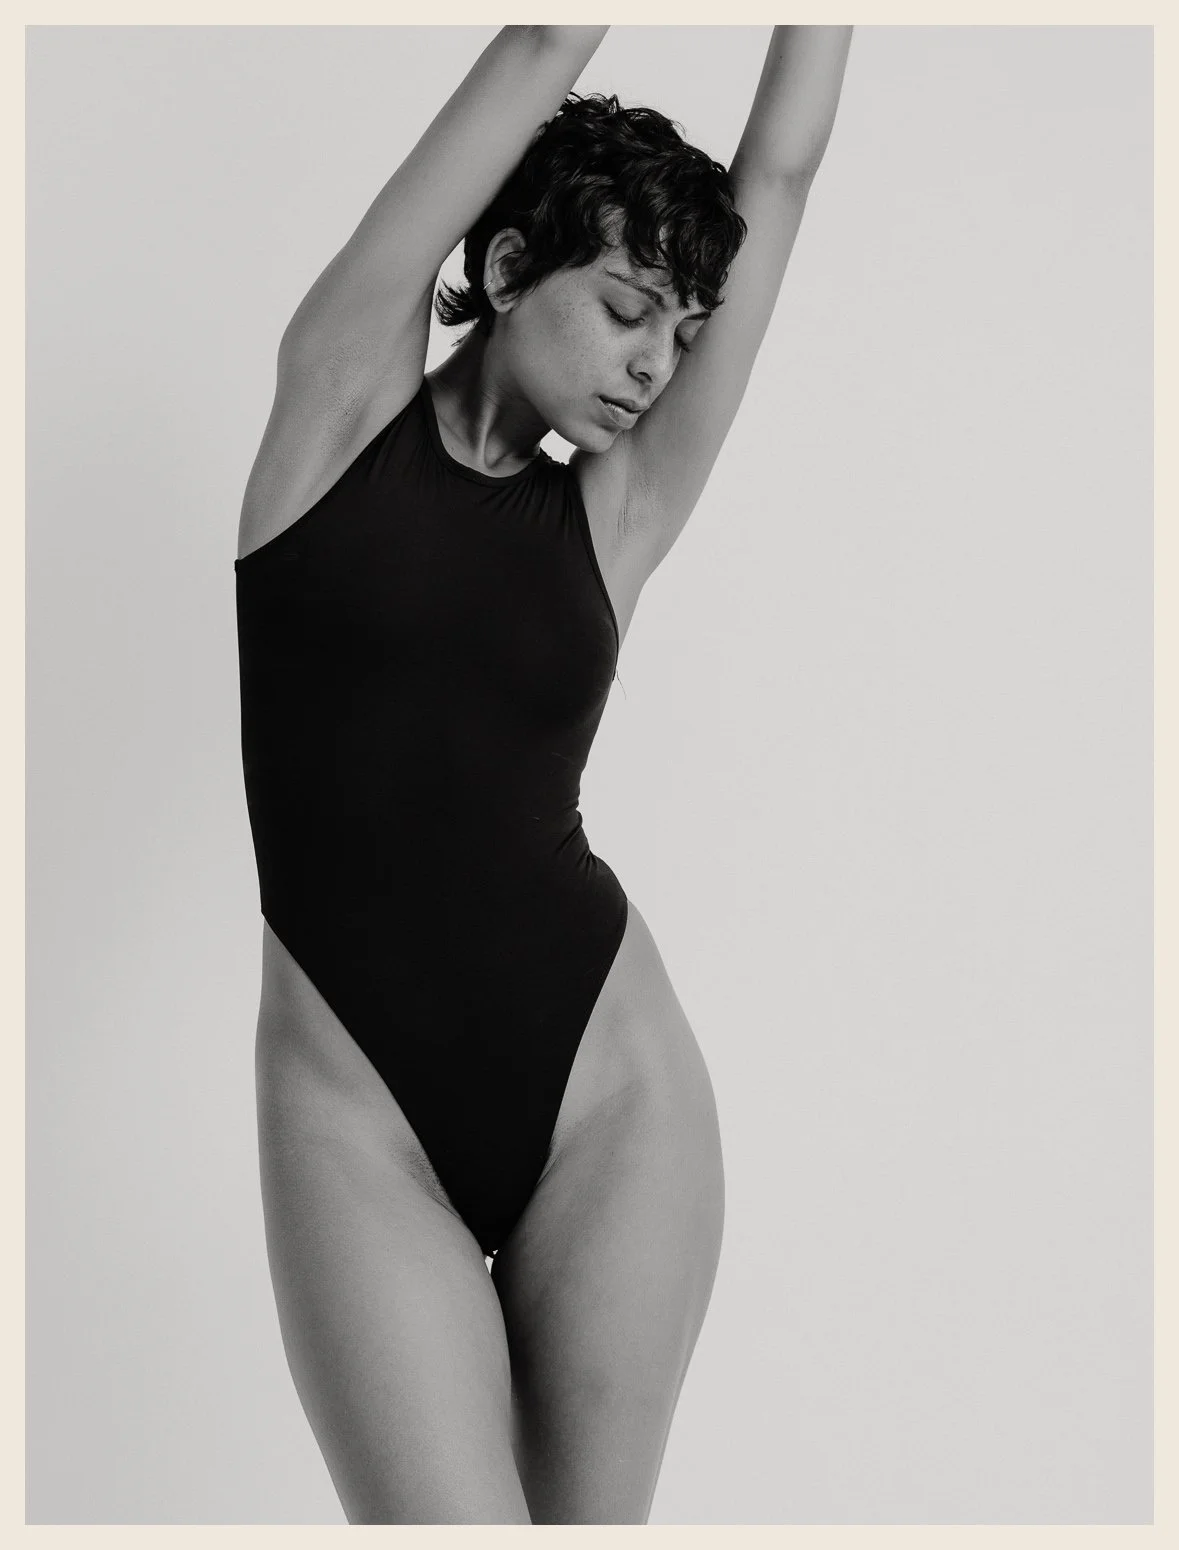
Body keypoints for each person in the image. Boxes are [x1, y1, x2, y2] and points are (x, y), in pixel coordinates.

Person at [234, 24, 853, 1525]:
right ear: (508, 269)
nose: (654, 363)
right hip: (353, 1119)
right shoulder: (335, 410)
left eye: (680, 335)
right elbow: (536, 44)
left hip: (609, 1096)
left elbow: (780, 169)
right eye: (628, 308)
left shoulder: (620, 510)